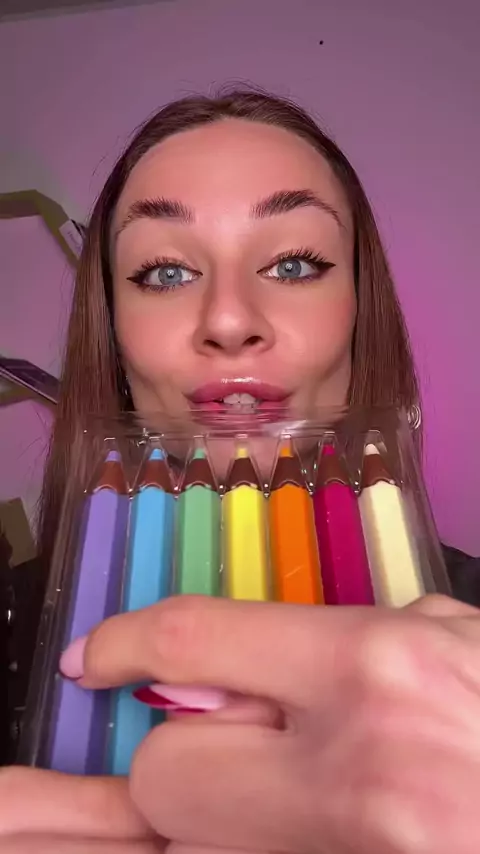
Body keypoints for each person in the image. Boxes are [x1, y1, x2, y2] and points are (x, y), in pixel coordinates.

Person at [2, 89, 480, 853]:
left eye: (294, 264)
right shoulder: (16, 625)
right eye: (164, 272)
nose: (229, 321)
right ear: (112, 331)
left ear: (361, 308)